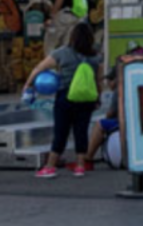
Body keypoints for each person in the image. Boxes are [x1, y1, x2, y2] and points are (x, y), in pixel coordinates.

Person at [23, 21, 102, 178]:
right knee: (81, 131)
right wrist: (97, 97)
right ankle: (80, 166)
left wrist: (28, 84)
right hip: (86, 98)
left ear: (72, 36)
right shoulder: (96, 57)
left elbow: (39, 68)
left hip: (65, 97)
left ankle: (50, 166)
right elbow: (98, 81)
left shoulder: (62, 53)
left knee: (61, 131)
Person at [82, 69, 121, 170]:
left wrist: (106, 118)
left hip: (122, 123)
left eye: (110, 81)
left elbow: (111, 113)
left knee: (100, 124)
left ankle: (88, 156)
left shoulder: (119, 90)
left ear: (116, 80)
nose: (108, 84)